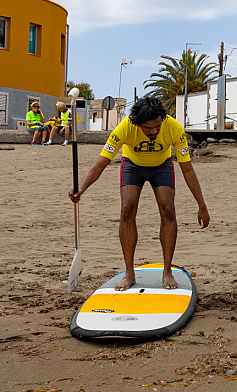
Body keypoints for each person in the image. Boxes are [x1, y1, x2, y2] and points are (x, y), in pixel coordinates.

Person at [68, 97, 210, 291]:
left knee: (168, 210)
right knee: (127, 209)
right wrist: (82, 188)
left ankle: (167, 271)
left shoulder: (174, 128)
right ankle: (129, 273)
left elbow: (188, 170)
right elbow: (100, 164)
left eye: (157, 126)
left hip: (161, 166)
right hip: (132, 166)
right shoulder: (125, 128)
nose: (154, 132)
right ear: (137, 123)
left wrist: (201, 205)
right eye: (148, 128)